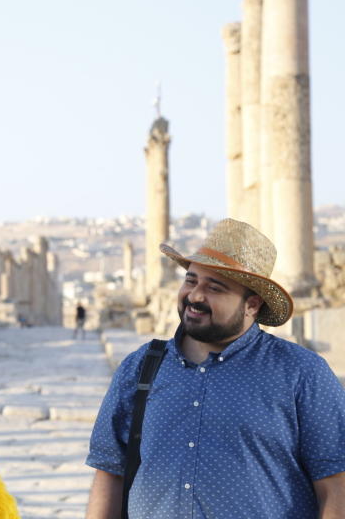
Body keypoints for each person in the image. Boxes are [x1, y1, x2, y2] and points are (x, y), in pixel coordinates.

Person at [85, 218, 345, 518]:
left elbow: (335, 482)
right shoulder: (140, 367)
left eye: (215, 288)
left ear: (252, 305)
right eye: (191, 280)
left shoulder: (301, 373)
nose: (195, 296)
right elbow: (109, 472)